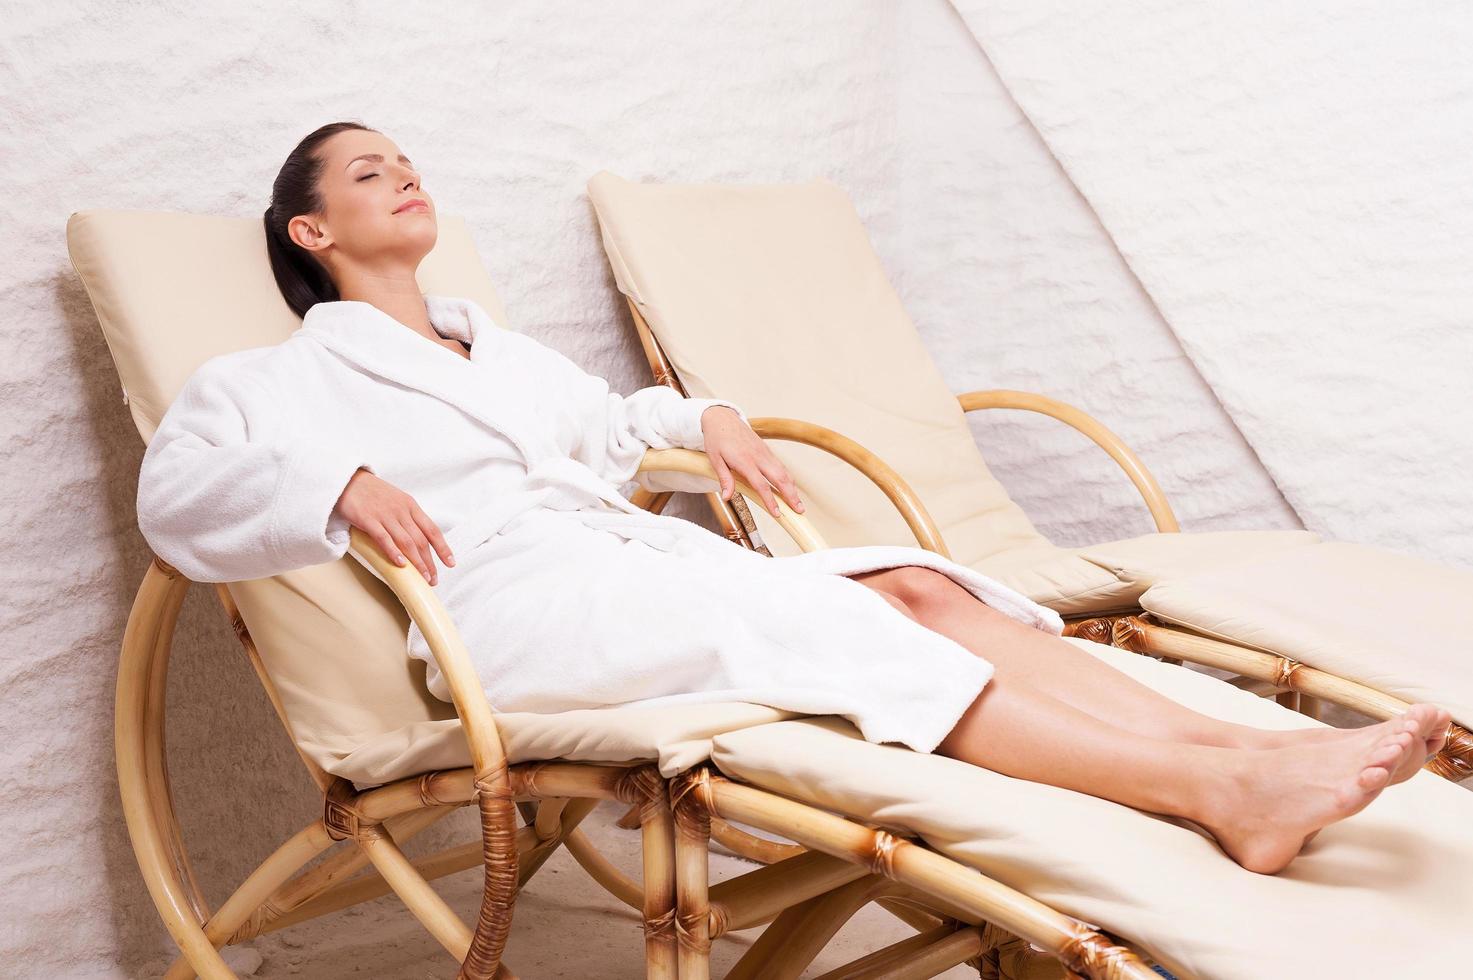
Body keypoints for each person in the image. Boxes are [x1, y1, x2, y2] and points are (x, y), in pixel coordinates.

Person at [137, 121, 1449, 876]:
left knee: (917, 587)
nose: (402, 175)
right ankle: (1205, 795)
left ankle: (1246, 755)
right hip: (512, 614)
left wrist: (698, 416)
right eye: (367, 173)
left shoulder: (495, 344)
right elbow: (179, 498)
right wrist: (338, 479)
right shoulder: (269, 381)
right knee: (834, 630)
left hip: (628, 565)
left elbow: (605, 423)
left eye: (406, 160)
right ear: (309, 234)